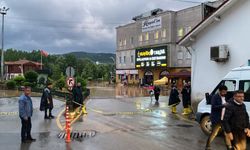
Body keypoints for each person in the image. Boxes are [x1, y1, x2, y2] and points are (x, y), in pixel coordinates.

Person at [205, 85, 229, 150]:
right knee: (214, 133)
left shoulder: (225, 97)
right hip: (216, 119)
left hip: (224, 119)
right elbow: (214, 107)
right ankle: (207, 146)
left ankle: (229, 147)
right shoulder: (215, 97)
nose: (225, 93)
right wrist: (223, 105)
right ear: (219, 91)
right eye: (223, 92)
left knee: (226, 133)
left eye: (225, 92)